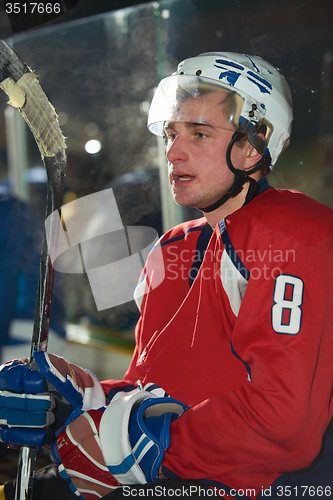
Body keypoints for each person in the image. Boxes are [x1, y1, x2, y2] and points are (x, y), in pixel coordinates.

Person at [1, 52, 333, 500]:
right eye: (172, 133)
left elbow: (282, 422)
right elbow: (154, 389)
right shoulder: (175, 246)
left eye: (199, 134)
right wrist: (75, 399)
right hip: (177, 478)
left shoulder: (295, 229)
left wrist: (136, 444)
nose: (173, 151)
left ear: (253, 146)